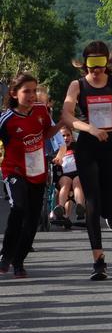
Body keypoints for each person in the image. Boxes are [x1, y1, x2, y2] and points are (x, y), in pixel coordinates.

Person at [62, 41, 112, 280]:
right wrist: (88, 128)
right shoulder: (77, 86)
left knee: (106, 205)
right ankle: (99, 260)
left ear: (107, 63)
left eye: (101, 63)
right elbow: (66, 114)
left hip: (110, 145)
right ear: (85, 63)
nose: (96, 69)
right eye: (92, 63)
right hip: (87, 145)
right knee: (91, 202)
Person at [0, 73, 61, 278]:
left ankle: (19, 261)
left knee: (32, 220)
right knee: (18, 207)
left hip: (38, 171)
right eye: (26, 91)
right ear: (14, 94)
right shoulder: (6, 120)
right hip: (14, 170)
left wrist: (63, 124)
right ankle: (5, 255)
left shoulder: (41, 111)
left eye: (34, 91)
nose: (32, 95)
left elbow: (46, 134)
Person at [51, 126, 86, 226]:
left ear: (72, 136)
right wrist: (55, 161)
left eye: (68, 135)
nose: (66, 138)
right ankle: (60, 208)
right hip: (64, 175)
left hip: (77, 173)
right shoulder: (57, 149)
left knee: (77, 182)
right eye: (63, 136)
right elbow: (52, 161)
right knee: (65, 184)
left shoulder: (77, 146)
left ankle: (80, 206)